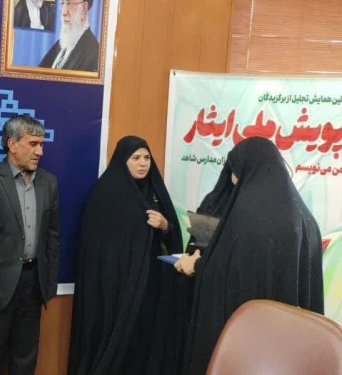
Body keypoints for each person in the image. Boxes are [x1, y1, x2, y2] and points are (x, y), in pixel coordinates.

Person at [175, 137, 324, 375]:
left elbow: (230, 272)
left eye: (235, 170)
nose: (233, 177)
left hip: (247, 344)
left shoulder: (246, 217)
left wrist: (197, 265)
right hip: (289, 345)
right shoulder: (305, 218)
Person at [69, 136, 187, 375]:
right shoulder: (105, 193)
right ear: (123, 161)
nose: (143, 163)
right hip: (115, 286)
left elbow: (172, 238)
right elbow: (94, 246)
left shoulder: (155, 192)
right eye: (136, 158)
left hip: (149, 284)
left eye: (146, 158)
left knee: (142, 340)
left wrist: (165, 226)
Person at [0, 115, 60, 375]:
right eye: (33, 144)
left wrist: (48, 284)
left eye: (41, 144)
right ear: (12, 144)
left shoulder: (49, 182)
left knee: (26, 358)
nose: (40, 151)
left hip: (33, 284)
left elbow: (52, 237)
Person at [39, 0, 100, 72]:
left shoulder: (95, 56)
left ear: (84, 9)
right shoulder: (61, 44)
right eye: (63, 3)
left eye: (69, 3)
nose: (63, 12)